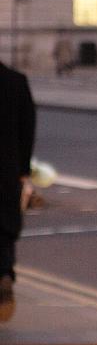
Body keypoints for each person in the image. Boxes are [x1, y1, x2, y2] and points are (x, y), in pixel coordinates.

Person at [0, 60, 36, 321]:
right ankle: (4, 273)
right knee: (4, 228)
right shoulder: (16, 81)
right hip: (6, 172)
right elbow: (28, 129)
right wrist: (22, 170)